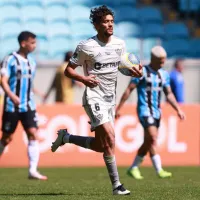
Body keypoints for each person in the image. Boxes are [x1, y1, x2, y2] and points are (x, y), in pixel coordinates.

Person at [51, 5, 142, 195]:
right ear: (96, 25)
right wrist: (84, 79)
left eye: (111, 21)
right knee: (111, 137)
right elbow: (69, 70)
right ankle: (117, 186)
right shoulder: (86, 46)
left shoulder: (119, 44)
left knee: (102, 145)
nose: (110, 25)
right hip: (94, 97)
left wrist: (134, 71)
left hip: (111, 98)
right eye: (105, 22)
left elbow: (121, 66)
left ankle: (66, 137)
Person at [115, 46, 185, 180]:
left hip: (157, 112)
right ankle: (156, 169)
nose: (163, 63)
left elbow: (169, 93)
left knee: (149, 140)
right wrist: (119, 108)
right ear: (153, 59)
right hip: (144, 110)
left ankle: (136, 168)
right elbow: (129, 90)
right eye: (160, 61)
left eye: (164, 61)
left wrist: (178, 109)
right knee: (152, 137)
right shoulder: (141, 72)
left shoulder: (164, 74)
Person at [0, 31, 47, 180]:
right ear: (23, 43)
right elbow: (3, 80)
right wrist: (12, 95)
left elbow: (28, 84)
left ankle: (32, 170)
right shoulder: (10, 59)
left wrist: (37, 93)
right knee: (7, 138)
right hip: (11, 106)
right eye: (32, 43)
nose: (34, 45)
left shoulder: (32, 62)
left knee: (33, 134)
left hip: (28, 105)